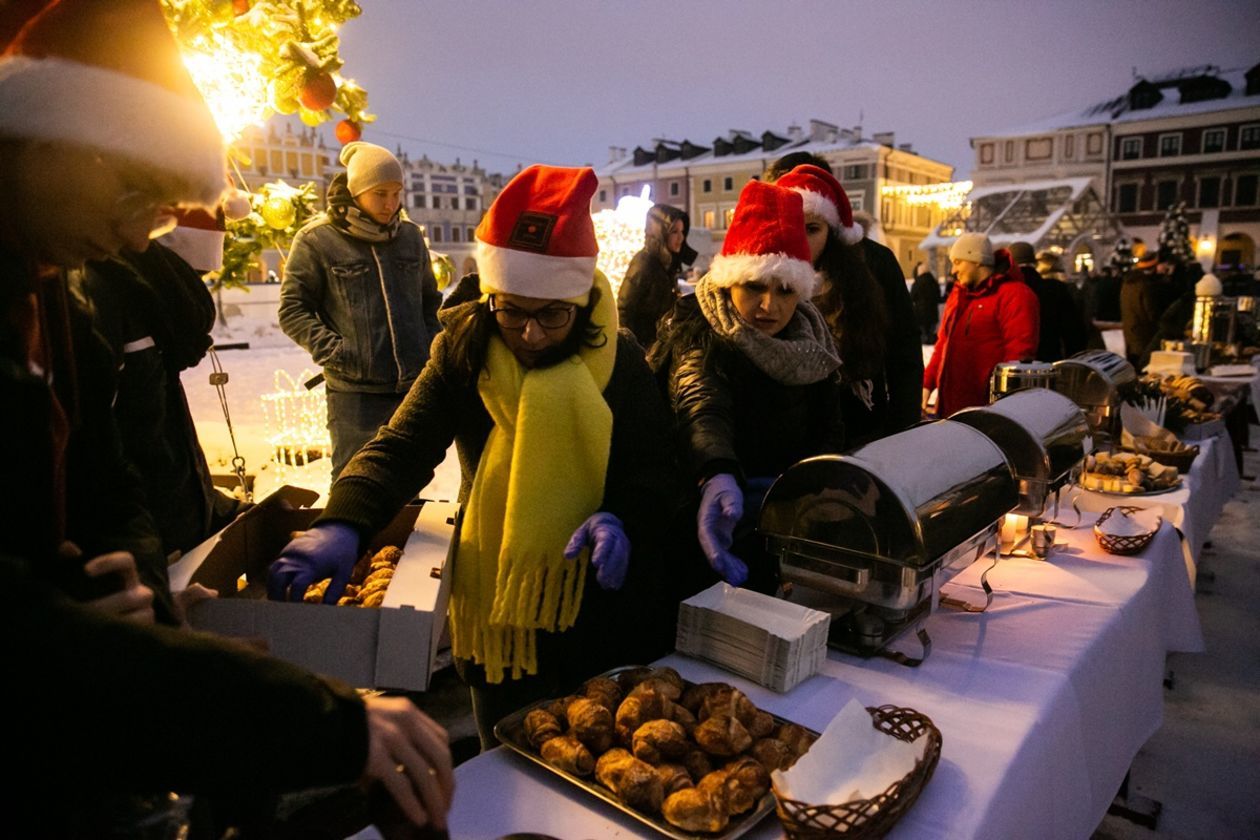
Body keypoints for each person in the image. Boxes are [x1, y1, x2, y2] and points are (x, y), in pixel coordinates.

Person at [0, 1, 452, 832]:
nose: (141, 239)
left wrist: (138, 600)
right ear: (45, 135)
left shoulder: (54, 299)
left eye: (165, 212)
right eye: (137, 193)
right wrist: (314, 717)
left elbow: (105, 487)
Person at [268, 165, 681, 747]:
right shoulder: (463, 351)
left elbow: (658, 470)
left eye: (552, 315)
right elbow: (402, 445)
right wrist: (342, 522)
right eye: (512, 311)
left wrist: (624, 517)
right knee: (508, 772)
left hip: (603, 613)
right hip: (500, 621)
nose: (531, 334)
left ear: (581, 303)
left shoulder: (621, 361)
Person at [650, 179, 844, 595]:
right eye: (754, 286)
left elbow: (828, 430)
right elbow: (701, 404)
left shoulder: (813, 346)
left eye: (785, 290)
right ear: (729, 281)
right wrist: (718, 473)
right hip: (704, 519)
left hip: (783, 525)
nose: (769, 306)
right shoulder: (700, 331)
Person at [279, 141, 442, 481]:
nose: (390, 204)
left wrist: (428, 345)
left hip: (411, 388)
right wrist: (338, 352)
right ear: (356, 192)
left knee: (409, 484)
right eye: (380, 193)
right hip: (355, 395)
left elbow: (430, 300)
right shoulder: (318, 240)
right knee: (355, 484)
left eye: (397, 193)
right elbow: (292, 309)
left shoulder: (410, 237)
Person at [766, 152, 922, 434]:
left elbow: (904, 347)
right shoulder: (761, 266)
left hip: (861, 419)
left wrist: (903, 426)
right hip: (784, 429)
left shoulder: (874, 262)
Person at [923, 233, 1039, 417]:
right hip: (950, 409)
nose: (953, 270)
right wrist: (927, 384)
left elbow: (1018, 356)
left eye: (958, 262)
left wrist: (1001, 406)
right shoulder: (958, 296)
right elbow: (943, 345)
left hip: (986, 412)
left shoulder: (1015, 295)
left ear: (976, 260)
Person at [617, 202, 695, 348]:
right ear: (660, 232)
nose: (681, 238)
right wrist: (632, 349)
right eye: (674, 232)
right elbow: (624, 308)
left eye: (682, 232)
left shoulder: (667, 264)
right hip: (644, 348)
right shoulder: (644, 263)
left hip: (658, 345)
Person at [1008, 240, 1086, 362]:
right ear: (1033, 262)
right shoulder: (1056, 289)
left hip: (1012, 365)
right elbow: (1074, 332)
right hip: (1049, 363)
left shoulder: (1005, 290)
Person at [1120, 247, 1181, 366]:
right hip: (1145, 341)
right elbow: (1153, 315)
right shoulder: (1146, 286)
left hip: (1132, 339)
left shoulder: (1129, 283)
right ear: (1154, 266)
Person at [910, 260, 941, 344]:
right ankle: (930, 341)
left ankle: (923, 342)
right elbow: (938, 298)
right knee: (931, 331)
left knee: (922, 332)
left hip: (920, 313)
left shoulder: (917, 283)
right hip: (932, 312)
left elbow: (912, 297)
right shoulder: (934, 282)